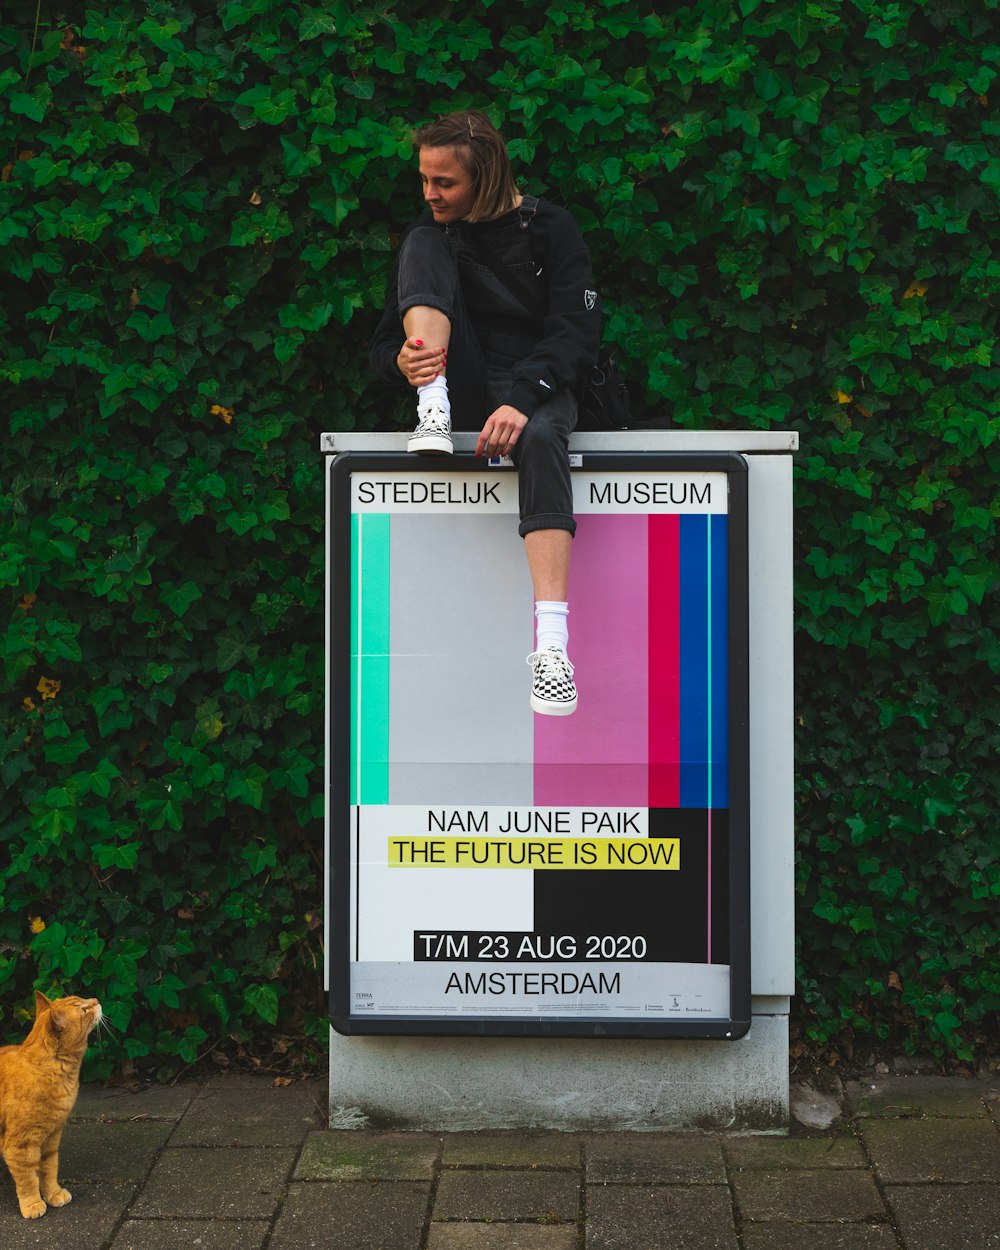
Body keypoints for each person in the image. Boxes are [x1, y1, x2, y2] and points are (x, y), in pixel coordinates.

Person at [369, 110, 601, 716]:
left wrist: (523, 400)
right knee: (420, 238)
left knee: (547, 436)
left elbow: (576, 331)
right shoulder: (431, 236)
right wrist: (406, 366)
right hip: (458, 378)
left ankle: (553, 651)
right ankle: (433, 408)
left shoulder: (550, 227)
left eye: (444, 183)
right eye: (424, 179)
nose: (429, 193)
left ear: (486, 175)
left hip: (535, 385)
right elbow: (379, 348)